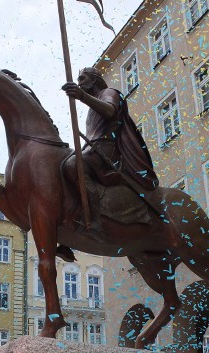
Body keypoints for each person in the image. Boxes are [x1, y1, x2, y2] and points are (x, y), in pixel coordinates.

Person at [57, 66, 158, 260]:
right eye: (78, 80)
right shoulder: (90, 110)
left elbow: (111, 111)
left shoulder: (109, 93)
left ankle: (94, 221)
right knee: (63, 167)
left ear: (94, 80)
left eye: (83, 78)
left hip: (107, 150)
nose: (79, 82)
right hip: (93, 149)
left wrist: (81, 96)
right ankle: (69, 226)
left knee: (71, 166)